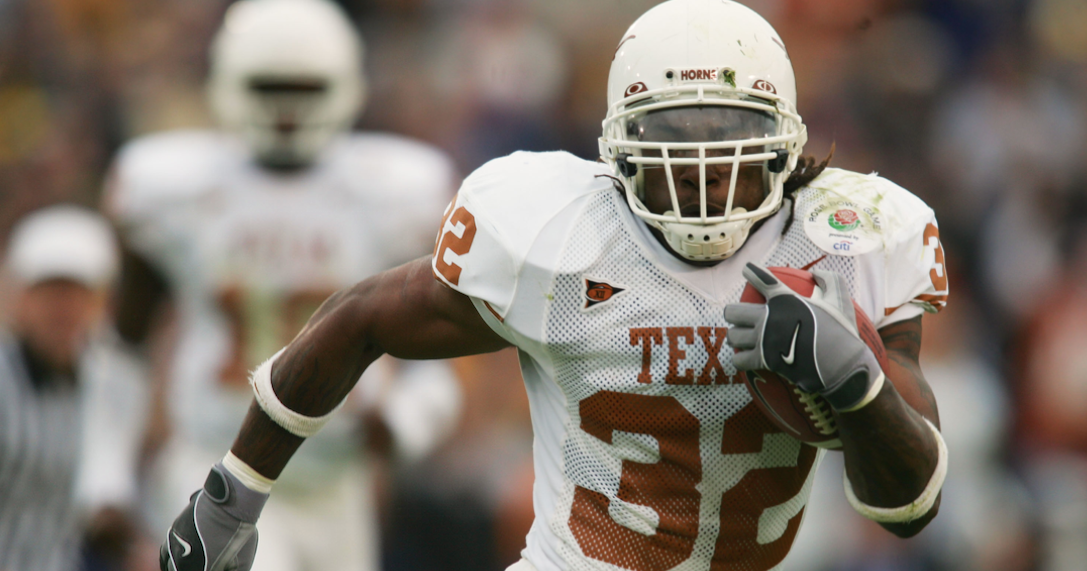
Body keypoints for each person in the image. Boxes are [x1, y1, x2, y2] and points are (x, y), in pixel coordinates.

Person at [158, 1, 951, 570]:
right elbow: (362, 317)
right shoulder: (560, 236)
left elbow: (910, 506)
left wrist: (854, 382)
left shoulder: (850, 240)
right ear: (618, 147)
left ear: (784, 146)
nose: (703, 173)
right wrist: (235, 490)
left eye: (730, 144)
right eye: (673, 139)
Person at [105, 1, 463, 570]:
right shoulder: (172, 187)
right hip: (214, 468)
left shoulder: (395, 190)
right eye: (272, 86)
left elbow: (437, 365)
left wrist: (403, 423)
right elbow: (124, 345)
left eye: (305, 88)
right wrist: (105, 478)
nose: (289, 109)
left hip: (336, 489)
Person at [0, 205, 150, 571]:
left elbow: (104, 494)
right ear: (19, 297)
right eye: (49, 293)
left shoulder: (113, 380)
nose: (63, 310)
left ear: (103, 302)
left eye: (77, 294)